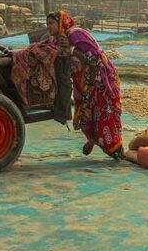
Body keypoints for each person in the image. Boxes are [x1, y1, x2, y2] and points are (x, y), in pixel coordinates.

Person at [46, 10, 123, 158]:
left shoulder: (75, 34)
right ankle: (92, 139)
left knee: (104, 113)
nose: (48, 26)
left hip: (98, 80)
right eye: (47, 23)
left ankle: (116, 149)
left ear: (61, 23)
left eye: (51, 23)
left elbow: (93, 57)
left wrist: (71, 49)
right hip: (81, 82)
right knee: (84, 114)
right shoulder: (55, 41)